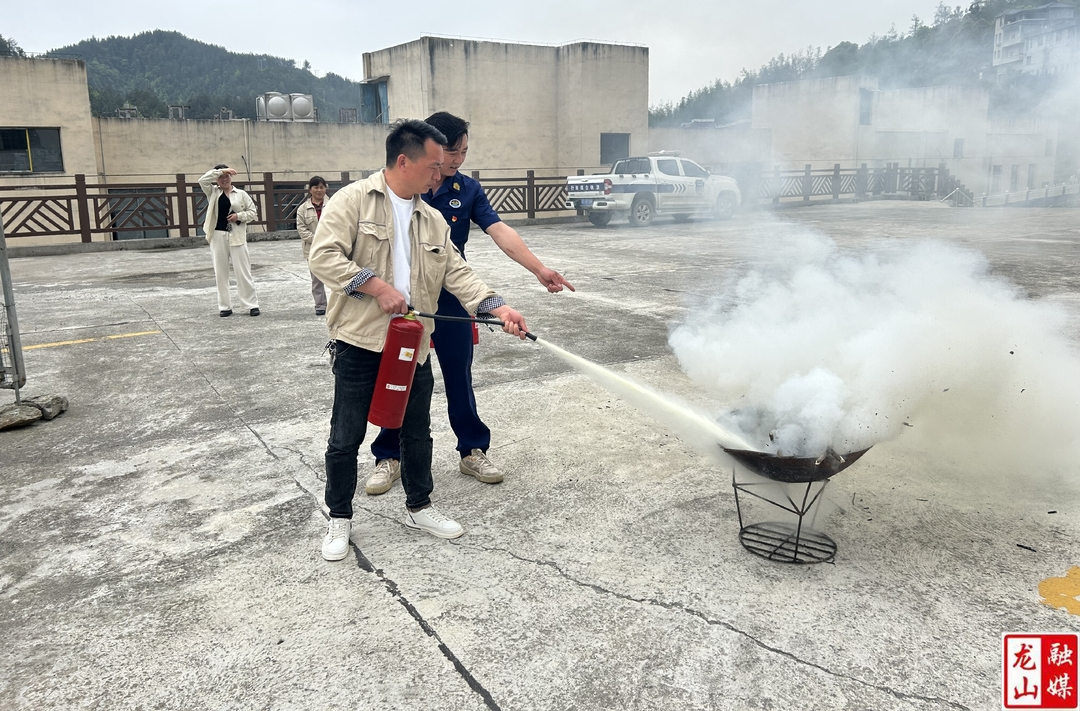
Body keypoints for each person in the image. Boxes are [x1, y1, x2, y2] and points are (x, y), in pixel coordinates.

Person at [308, 119, 529, 561]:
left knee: (416, 430)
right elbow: (323, 256)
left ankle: (420, 505)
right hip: (359, 339)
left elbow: (458, 272)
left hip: (414, 341)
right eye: (433, 165)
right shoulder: (353, 201)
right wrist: (375, 285)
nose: (440, 173)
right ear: (403, 160)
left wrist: (497, 307)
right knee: (345, 434)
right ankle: (339, 518)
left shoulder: (430, 218)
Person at [365, 111, 574, 495]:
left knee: (459, 374)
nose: (459, 160)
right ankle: (388, 455)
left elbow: (499, 230)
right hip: (406, 302)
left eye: (464, 152)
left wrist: (538, 269)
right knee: (400, 376)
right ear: (431, 149)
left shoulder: (468, 189)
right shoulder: (401, 187)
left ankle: (472, 449)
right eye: (453, 152)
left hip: (455, 300)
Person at [198, 164, 260, 317]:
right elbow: (202, 180)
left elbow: (253, 212)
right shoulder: (213, 192)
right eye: (221, 177)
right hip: (218, 235)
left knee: (243, 270)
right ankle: (225, 306)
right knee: (221, 272)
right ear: (217, 179)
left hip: (237, 234)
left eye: (227, 176)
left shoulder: (241, 194)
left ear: (231, 178)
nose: (224, 179)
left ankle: (251, 304)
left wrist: (238, 216)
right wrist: (220, 171)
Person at [295, 176, 329, 315]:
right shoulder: (303, 209)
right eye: (316, 187)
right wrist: (319, 239)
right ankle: (320, 305)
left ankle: (339, 306)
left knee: (339, 277)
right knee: (316, 280)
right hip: (312, 249)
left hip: (333, 246)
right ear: (310, 190)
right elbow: (302, 230)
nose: (319, 190)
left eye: (322, 187)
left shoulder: (334, 204)